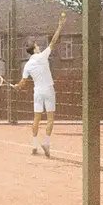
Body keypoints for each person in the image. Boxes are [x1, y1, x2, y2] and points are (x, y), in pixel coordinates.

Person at [17, 8, 68, 156]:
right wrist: (60, 25)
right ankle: (46, 142)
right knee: (50, 118)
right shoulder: (43, 56)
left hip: (37, 92)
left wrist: (17, 86)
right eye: (37, 45)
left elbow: (22, 84)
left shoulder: (27, 65)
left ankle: (34, 144)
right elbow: (53, 41)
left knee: (36, 118)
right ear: (35, 49)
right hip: (48, 90)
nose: (39, 46)